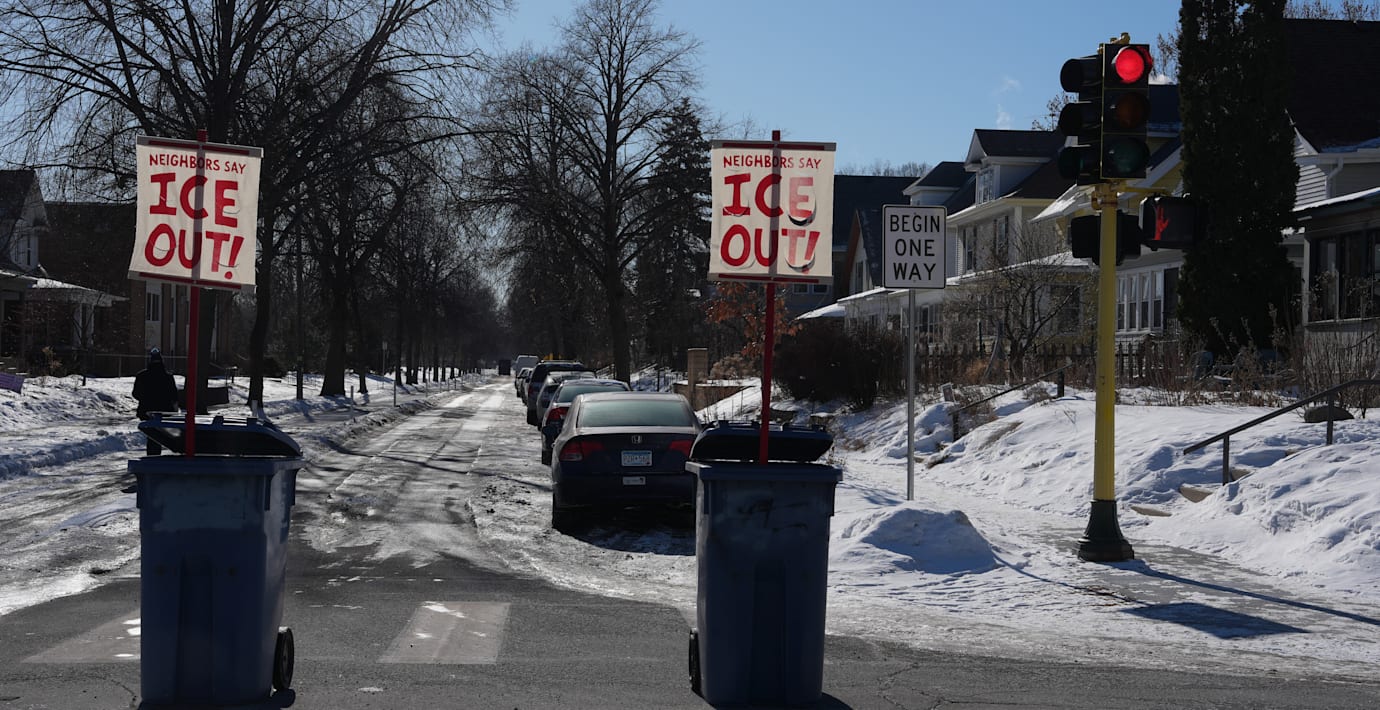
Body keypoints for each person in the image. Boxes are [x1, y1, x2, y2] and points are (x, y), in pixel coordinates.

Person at [132, 348, 180, 420]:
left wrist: (145, 399)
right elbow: (174, 395)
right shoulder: (168, 377)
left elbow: (135, 393)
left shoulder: (141, 376)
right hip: (165, 410)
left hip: (146, 410)